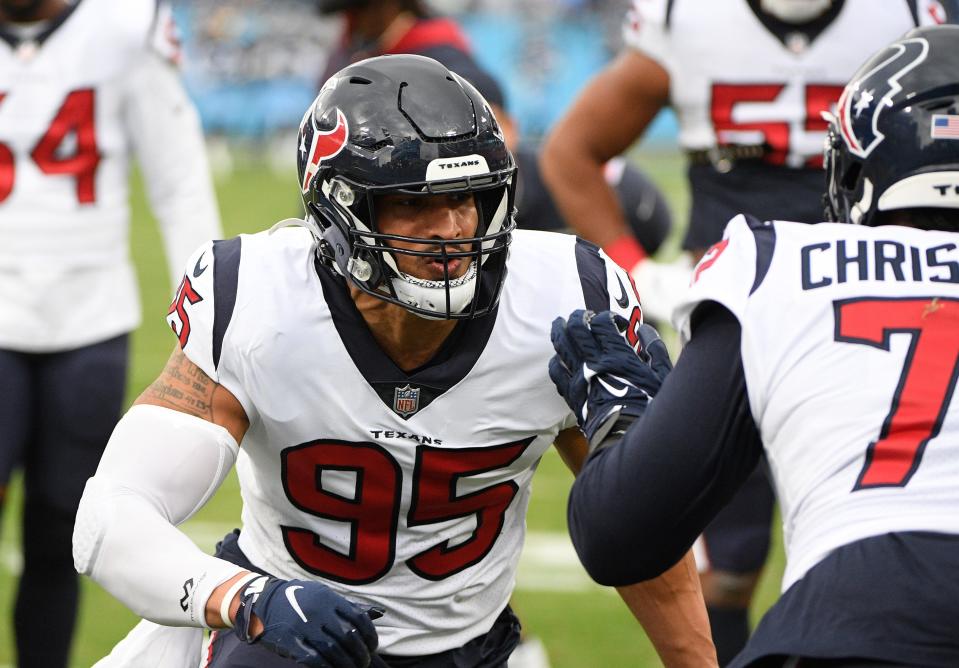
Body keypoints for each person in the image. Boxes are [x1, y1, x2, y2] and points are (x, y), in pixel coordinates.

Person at [73, 54, 716, 667]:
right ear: (338, 209)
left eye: (466, 198)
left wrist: (633, 453)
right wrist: (249, 598)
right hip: (283, 631)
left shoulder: (564, 305)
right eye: (412, 203)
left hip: (468, 648)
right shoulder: (260, 300)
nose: (450, 230)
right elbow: (110, 516)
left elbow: (639, 539)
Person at [539, 1, 944, 661]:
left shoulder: (761, 265)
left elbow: (616, 531)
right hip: (783, 316)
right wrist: (647, 273)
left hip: (761, 305)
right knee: (729, 560)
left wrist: (618, 421)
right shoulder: (691, 17)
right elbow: (572, 152)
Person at [0, 0, 222, 666]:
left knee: (56, 535)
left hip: (89, 320)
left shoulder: (125, 26)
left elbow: (178, 176)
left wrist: (210, 308)